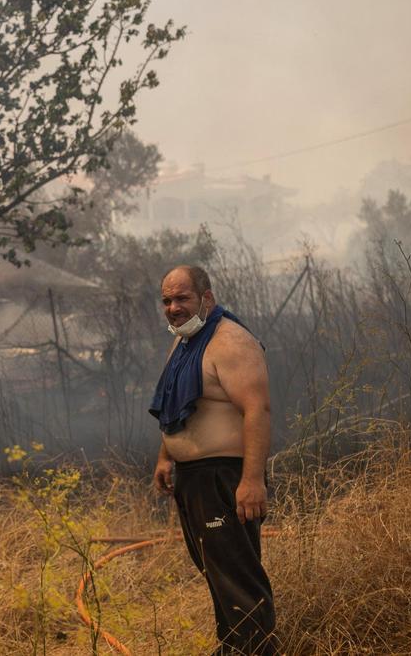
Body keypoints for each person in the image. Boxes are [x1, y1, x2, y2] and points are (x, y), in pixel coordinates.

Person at [149, 265, 277, 654]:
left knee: (238, 577)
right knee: (217, 574)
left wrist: (252, 481)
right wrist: (165, 456)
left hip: (225, 478)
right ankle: (232, 649)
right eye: (167, 300)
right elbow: (178, 405)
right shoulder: (185, 342)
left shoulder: (231, 342)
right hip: (192, 480)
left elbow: (258, 411)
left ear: (206, 297)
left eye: (182, 298)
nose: (173, 307)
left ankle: (255, 650)